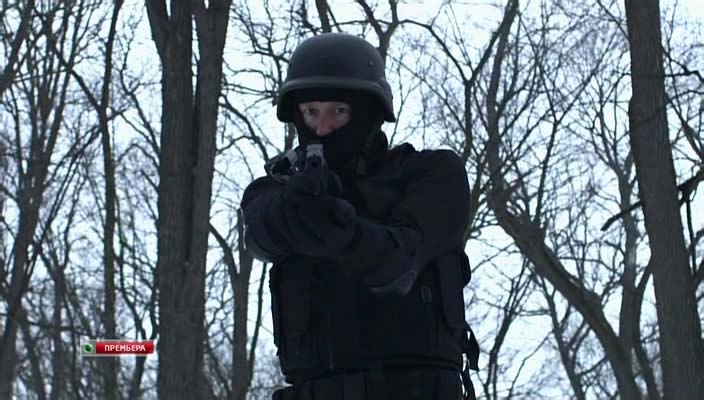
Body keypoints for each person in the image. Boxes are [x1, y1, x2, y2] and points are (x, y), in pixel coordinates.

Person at [241, 32, 479, 400]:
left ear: (369, 112)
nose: (321, 128)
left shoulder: (429, 175)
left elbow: (399, 263)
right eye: (310, 112)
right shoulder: (275, 191)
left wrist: (343, 227)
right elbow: (261, 233)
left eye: (338, 111)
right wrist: (300, 207)